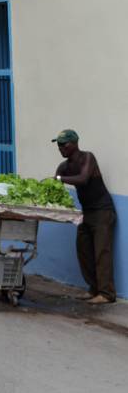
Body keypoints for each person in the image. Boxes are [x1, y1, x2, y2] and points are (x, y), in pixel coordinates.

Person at [53, 128, 116, 305]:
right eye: (58, 145)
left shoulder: (88, 158)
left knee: (102, 252)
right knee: (84, 250)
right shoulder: (63, 167)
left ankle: (106, 293)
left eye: (63, 144)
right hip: (86, 212)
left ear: (74, 144)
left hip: (103, 211)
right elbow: (55, 184)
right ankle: (94, 288)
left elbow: (83, 179)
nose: (60, 148)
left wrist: (59, 179)